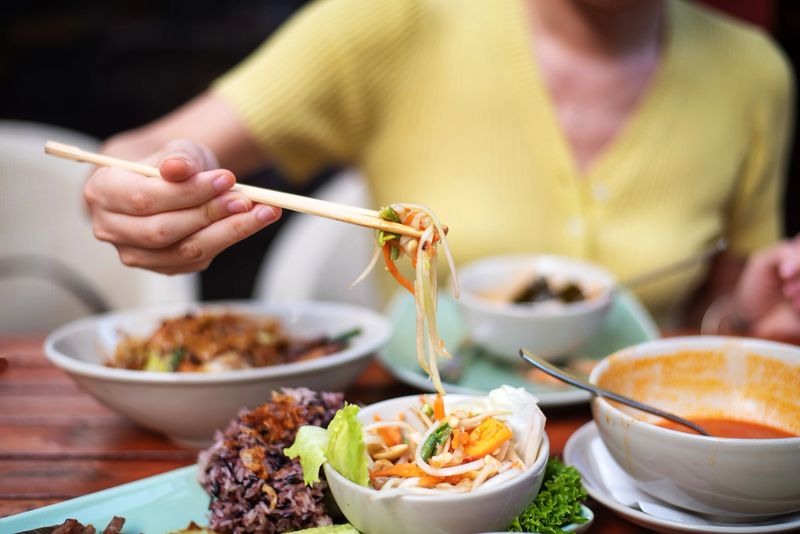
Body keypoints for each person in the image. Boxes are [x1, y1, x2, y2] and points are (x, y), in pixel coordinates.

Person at [83, 0, 800, 337]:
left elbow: (717, 311)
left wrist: (752, 315)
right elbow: (142, 153)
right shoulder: (393, 21)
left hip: (644, 450)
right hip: (427, 456)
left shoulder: (753, 72)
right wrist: (145, 189)